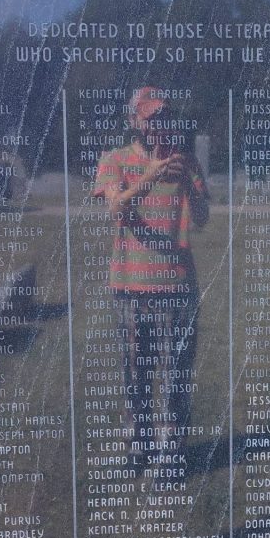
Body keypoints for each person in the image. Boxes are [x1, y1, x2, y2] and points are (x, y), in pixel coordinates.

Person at [92, 87, 209, 462]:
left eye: (163, 116)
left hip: (176, 288)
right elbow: (116, 210)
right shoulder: (115, 160)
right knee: (134, 377)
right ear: (133, 121)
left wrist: (189, 184)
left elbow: (203, 220)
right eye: (149, 118)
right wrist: (151, 176)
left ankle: (171, 454)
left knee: (174, 376)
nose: (157, 124)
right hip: (129, 287)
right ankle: (138, 447)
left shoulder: (186, 161)